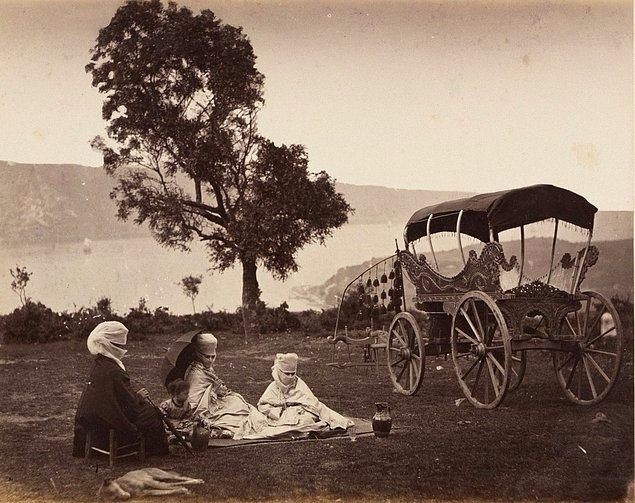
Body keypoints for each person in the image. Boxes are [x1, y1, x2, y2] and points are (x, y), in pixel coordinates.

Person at [72, 321, 169, 457]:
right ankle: (157, 450)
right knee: (152, 412)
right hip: (108, 418)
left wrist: (134, 396)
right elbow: (129, 403)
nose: (121, 348)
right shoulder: (114, 370)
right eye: (118, 345)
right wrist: (139, 397)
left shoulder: (99, 363)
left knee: (144, 410)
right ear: (110, 345)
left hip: (92, 417)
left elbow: (114, 395)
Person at [184, 333, 267, 439]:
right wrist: (214, 390)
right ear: (199, 355)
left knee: (239, 402)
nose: (210, 360)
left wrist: (218, 388)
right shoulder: (196, 373)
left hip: (215, 401)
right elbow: (195, 399)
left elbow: (214, 385)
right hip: (204, 408)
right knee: (236, 410)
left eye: (213, 357)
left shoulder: (207, 369)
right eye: (207, 357)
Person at [257, 353, 353, 431]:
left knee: (307, 420)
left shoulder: (299, 383)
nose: (290, 377)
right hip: (281, 415)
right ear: (279, 372)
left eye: (292, 373)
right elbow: (263, 405)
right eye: (287, 374)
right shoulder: (273, 387)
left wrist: (299, 408)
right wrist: (277, 410)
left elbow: (312, 403)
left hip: (299, 413)